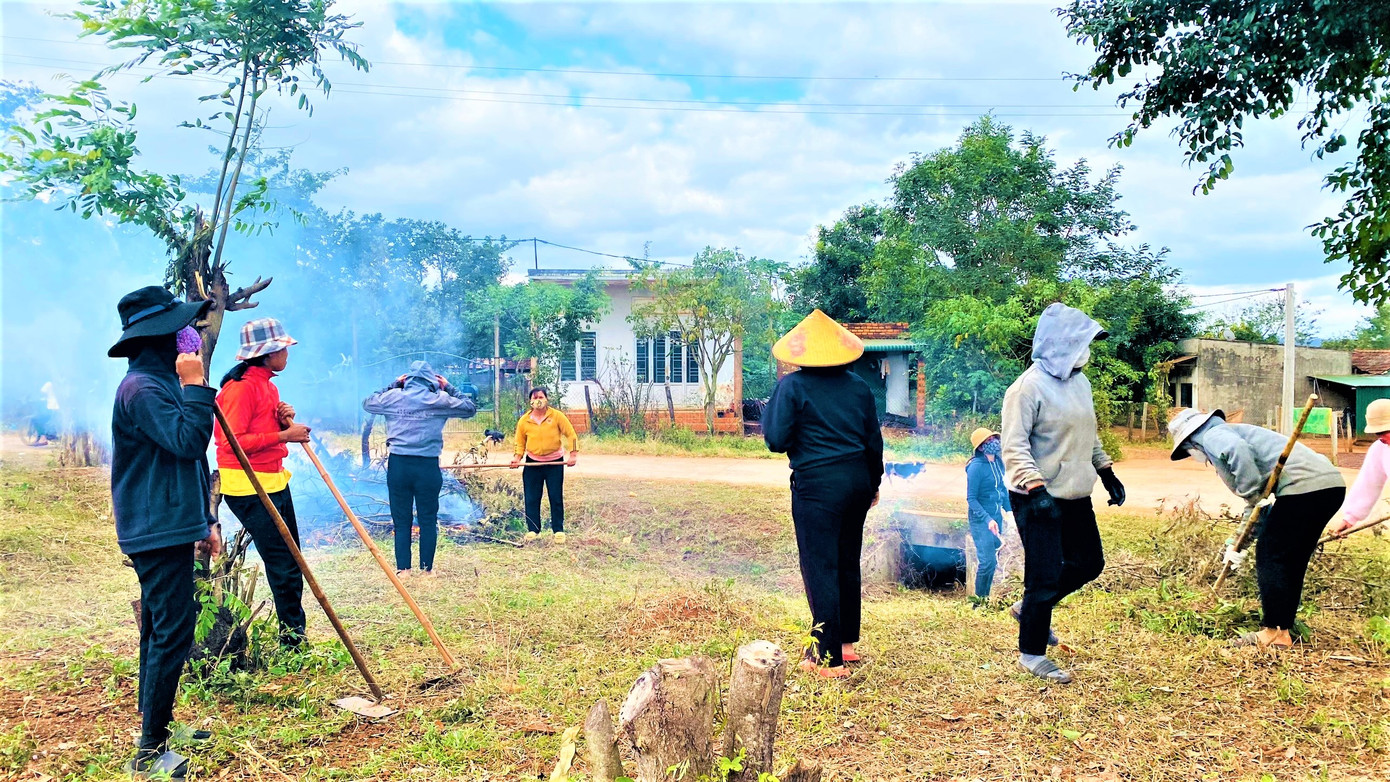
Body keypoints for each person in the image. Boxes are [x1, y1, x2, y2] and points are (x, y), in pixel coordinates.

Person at [108, 286, 222, 779]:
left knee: (160, 627)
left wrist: (208, 520)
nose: (190, 333)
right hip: (154, 529)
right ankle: (149, 751)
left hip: (172, 524)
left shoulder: (159, 383)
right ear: (157, 336)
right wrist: (197, 385)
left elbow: (192, 461)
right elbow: (188, 440)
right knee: (172, 630)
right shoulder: (143, 389)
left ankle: (159, 726)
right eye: (181, 325)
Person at [1001, 302, 1125, 684]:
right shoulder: (1025, 389)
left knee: (1089, 563)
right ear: (1061, 344)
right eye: (1081, 344)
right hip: (1034, 494)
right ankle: (1031, 653)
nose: (1086, 354)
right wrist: (1037, 491)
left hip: (1074, 492)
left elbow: (1090, 435)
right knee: (1044, 574)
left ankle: (1029, 609)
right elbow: (1014, 447)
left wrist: (1106, 471)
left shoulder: (1080, 382)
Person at [762, 309, 884, 678]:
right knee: (846, 560)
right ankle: (845, 645)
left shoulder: (793, 386)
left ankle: (826, 658)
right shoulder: (859, 387)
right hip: (857, 482)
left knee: (821, 566)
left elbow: (775, 440)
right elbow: (873, 441)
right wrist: (873, 483)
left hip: (817, 486)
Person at [1169, 408, 1346, 649]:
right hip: (1329, 487)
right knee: (1290, 559)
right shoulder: (1234, 433)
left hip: (1304, 488)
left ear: (1190, 440)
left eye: (1187, 450)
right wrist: (1238, 544)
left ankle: (1274, 632)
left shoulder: (1211, 435)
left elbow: (1237, 454)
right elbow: (1257, 508)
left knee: (1271, 555)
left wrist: (1252, 491)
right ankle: (1284, 626)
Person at [214, 318, 310, 647]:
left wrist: (281, 417)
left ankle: (295, 635)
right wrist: (286, 435)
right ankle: (293, 643)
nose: (287, 353)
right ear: (267, 354)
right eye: (281, 348)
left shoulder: (268, 386)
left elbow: (258, 431)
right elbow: (232, 442)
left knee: (292, 559)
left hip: (272, 479)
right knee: (283, 562)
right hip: (248, 486)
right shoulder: (240, 389)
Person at [362, 360, 477, 575]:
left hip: (399, 465)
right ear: (432, 381)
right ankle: (426, 571)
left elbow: (368, 403)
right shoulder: (439, 399)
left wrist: (393, 385)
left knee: (401, 518)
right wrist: (449, 386)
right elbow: (470, 408)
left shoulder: (393, 397)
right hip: (427, 466)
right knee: (427, 518)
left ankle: (403, 570)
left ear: (408, 380)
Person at [510, 387, 578, 543]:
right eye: (534, 398)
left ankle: (558, 530)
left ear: (546, 399)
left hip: (554, 462)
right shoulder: (524, 420)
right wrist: (517, 457)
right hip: (533, 463)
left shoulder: (556, 416)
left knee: (555, 496)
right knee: (532, 497)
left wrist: (573, 454)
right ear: (530, 401)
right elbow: (519, 442)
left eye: (541, 397)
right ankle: (533, 530)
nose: (538, 400)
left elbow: (571, 434)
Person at [1328, 398, 1390, 537]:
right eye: (1377, 433)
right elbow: (1368, 484)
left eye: (1384, 431)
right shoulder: (1380, 449)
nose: (1381, 438)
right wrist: (1350, 518)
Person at [965, 427, 1010, 603]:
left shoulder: (998, 463)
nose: (993, 443)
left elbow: (1002, 490)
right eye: (988, 441)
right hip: (980, 520)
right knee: (987, 562)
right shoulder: (975, 467)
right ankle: (979, 602)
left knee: (993, 561)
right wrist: (987, 519)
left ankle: (986, 597)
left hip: (996, 517)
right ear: (981, 447)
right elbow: (971, 499)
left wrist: (1010, 510)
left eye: (994, 438)